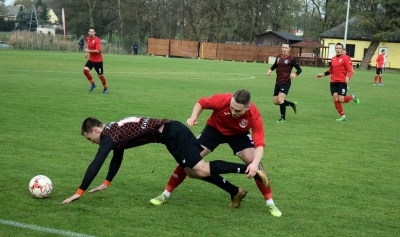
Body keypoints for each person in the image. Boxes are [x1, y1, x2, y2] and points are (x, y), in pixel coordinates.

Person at [61, 116, 269, 204]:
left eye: (90, 138)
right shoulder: (112, 131)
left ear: (96, 130)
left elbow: (96, 162)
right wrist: (106, 183)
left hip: (173, 133)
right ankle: (236, 192)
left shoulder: (108, 137)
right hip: (171, 134)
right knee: (191, 172)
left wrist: (79, 192)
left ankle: (250, 169)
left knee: (202, 169)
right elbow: (117, 155)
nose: (91, 142)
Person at [150, 89, 283, 217]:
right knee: (190, 158)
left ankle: (270, 202)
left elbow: (259, 144)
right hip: (214, 129)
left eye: (237, 110)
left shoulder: (254, 115)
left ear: (247, 108)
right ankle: (165, 194)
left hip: (239, 134)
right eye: (231, 107)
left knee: (253, 160)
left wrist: (254, 164)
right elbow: (201, 102)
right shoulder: (223, 100)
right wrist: (194, 116)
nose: (233, 111)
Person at [315, 43, 360, 121]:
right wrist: (322, 75)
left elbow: (350, 71)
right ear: (335, 49)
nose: (338, 49)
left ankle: (352, 97)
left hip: (342, 82)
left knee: (341, 100)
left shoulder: (345, 58)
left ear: (342, 50)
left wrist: (348, 77)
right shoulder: (333, 59)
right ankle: (343, 116)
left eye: (340, 48)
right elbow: (330, 70)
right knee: (335, 98)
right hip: (333, 82)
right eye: (337, 48)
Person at [267, 43, 302, 123]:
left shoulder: (292, 58)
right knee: (276, 101)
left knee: (280, 99)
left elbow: (299, 70)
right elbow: (275, 65)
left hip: (286, 82)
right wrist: (270, 70)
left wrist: (294, 74)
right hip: (278, 81)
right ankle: (292, 104)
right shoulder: (278, 57)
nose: (284, 49)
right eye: (283, 47)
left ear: (289, 49)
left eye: (286, 48)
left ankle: (283, 118)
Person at [84, 27, 108, 94]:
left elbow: (97, 50)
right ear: (88, 32)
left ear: (94, 33)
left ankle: (105, 88)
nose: (91, 33)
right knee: (85, 70)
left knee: (100, 75)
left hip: (98, 61)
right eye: (90, 31)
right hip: (91, 59)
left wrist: (88, 51)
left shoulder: (97, 39)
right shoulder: (87, 38)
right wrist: (86, 53)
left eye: (92, 32)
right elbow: (88, 47)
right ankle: (93, 84)